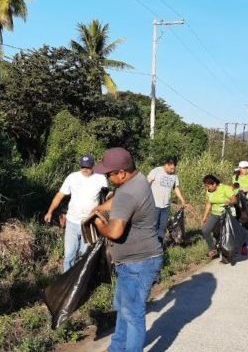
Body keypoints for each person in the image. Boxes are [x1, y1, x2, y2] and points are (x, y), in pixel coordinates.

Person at [90, 147, 163, 352]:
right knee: (124, 309)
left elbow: (114, 232)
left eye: (109, 174)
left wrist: (98, 223)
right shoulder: (138, 180)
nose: (107, 178)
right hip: (141, 260)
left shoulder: (126, 193)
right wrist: (101, 208)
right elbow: (120, 199)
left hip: (137, 263)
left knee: (132, 315)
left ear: (121, 173)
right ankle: (117, 348)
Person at [43, 154, 108, 272]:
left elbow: (105, 199)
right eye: (83, 166)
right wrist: (49, 212)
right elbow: (59, 195)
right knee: (69, 255)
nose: (85, 169)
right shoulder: (72, 177)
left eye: (88, 167)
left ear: (93, 166)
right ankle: (67, 282)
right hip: (72, 222)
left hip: (89, 223)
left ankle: (80, 283)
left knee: (84, 255)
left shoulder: (101, 178)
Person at [147, 156, 187, 243]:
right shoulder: (156, 171)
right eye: (171, 168)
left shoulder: (174, 175)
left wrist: (182, 200)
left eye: (174, 167)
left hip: (166, 206)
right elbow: (147, 184)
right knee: (153, 227)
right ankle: (151, 246)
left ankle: (160, 246)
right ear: (166, 165)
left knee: (163, 227)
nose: (173, 170)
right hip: (154, 205)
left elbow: (176, 188)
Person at [200, 174, 236, 260]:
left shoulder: (225, 188)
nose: (207, 188)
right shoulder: (209, 191)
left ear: (214, 184)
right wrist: (204, 218)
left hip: (226, 214)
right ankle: (213, 249)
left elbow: (234, 200)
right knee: (205, 230)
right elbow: (209, 204)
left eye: (208, 186)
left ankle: (227, 254)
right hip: (215, 214)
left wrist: (228, 203)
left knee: (224, 234)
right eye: (206, 186)